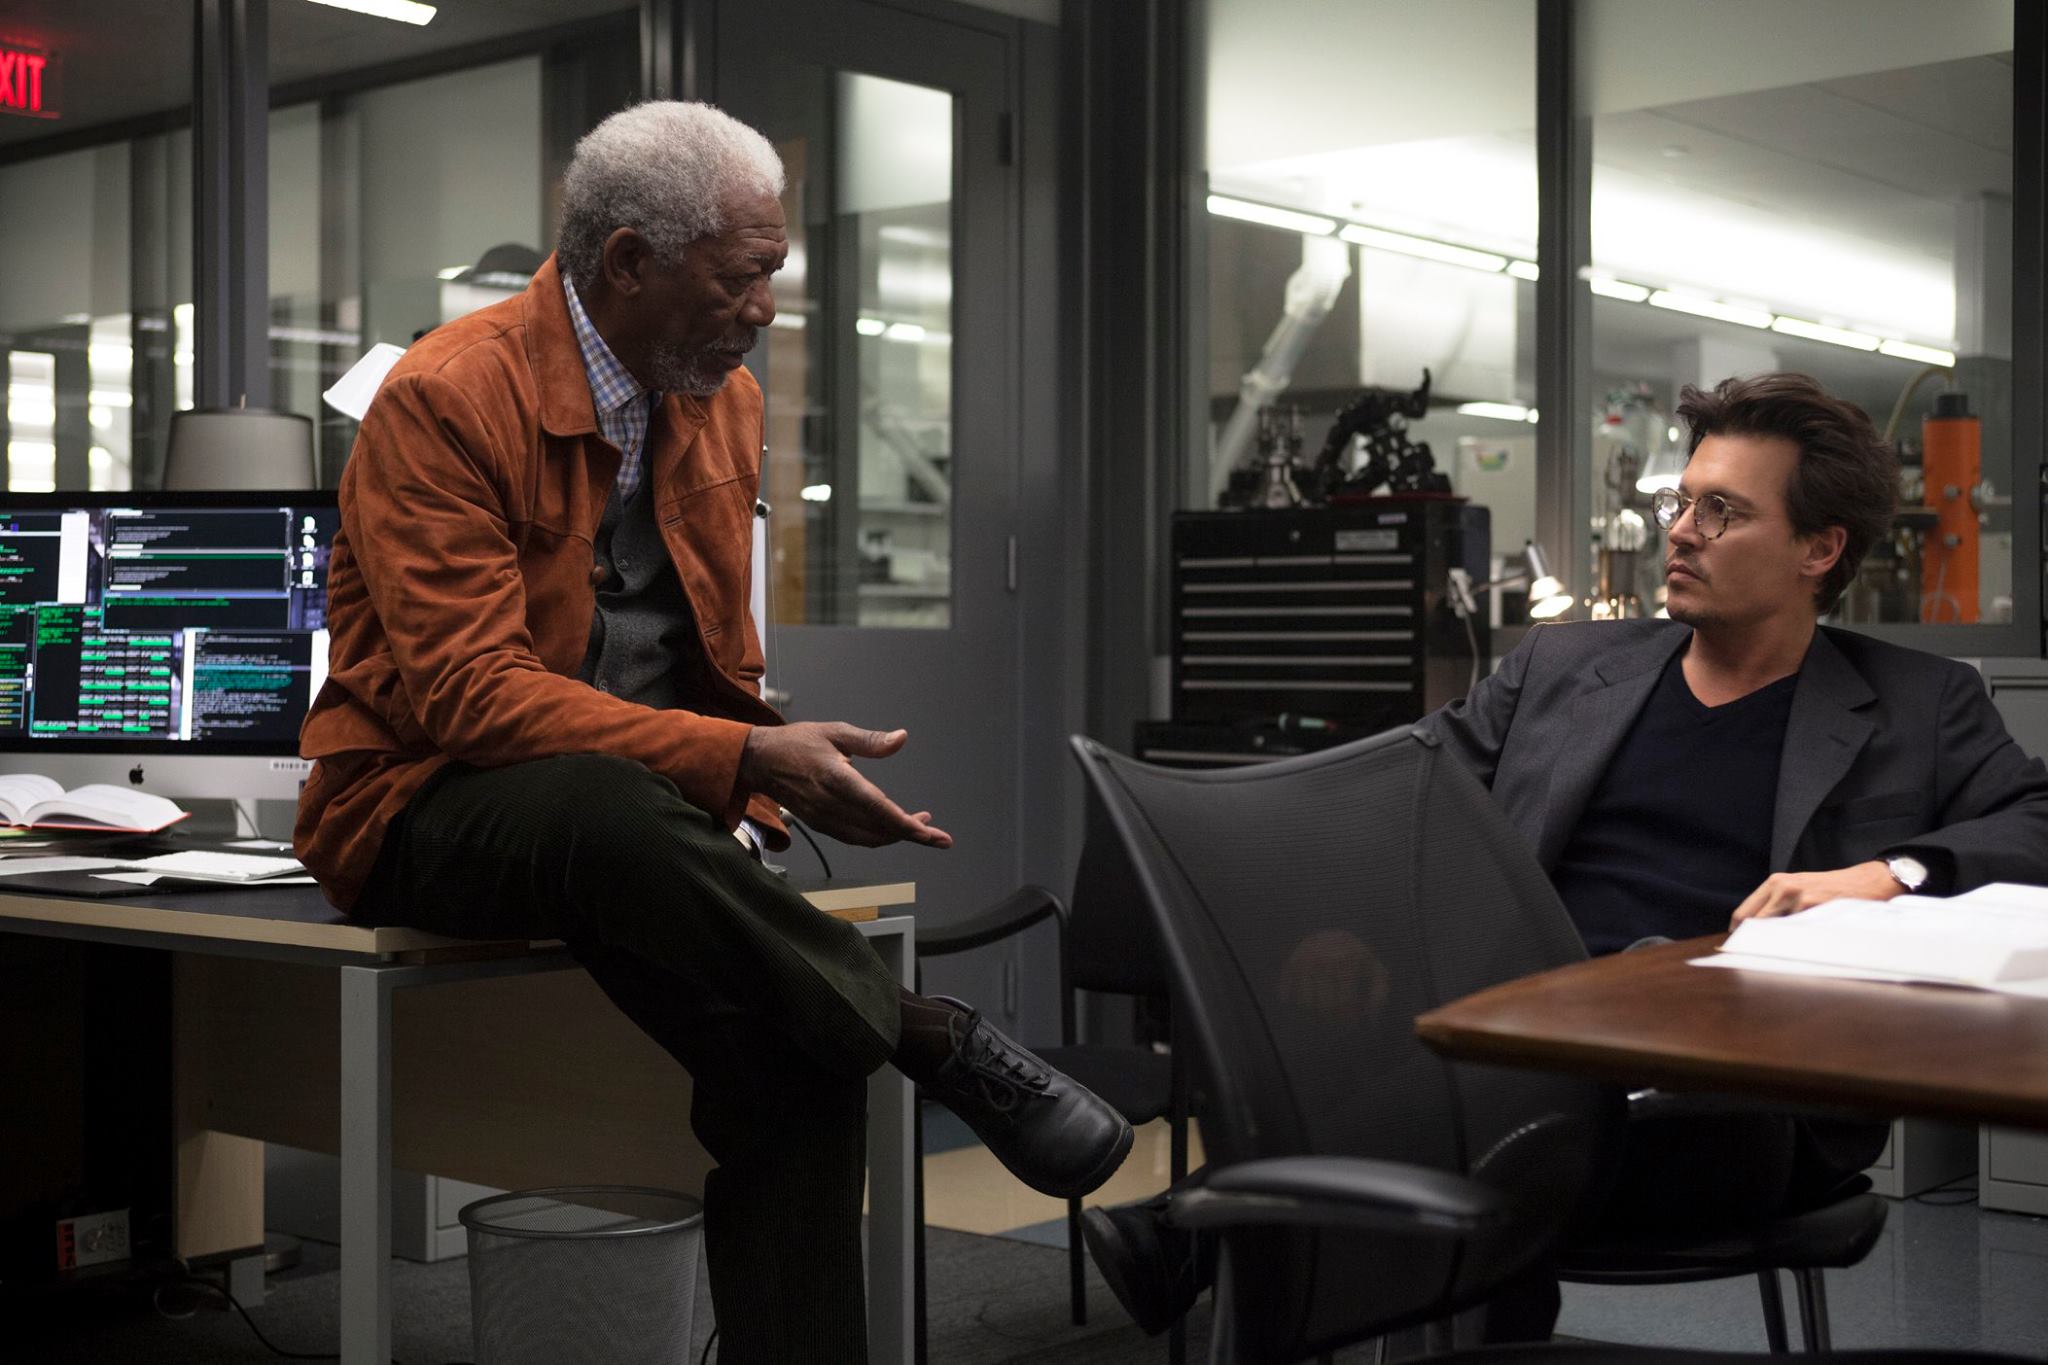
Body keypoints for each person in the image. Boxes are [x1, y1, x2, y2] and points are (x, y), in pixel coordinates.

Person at [294, 101, 1130, 1364]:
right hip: (426, 804)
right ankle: (924, 1031)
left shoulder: (719, 401)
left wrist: (761, 778)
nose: (766, 311)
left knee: (794, 1052)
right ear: (630, 262)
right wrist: (736, 760)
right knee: (600, 801)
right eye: (742, 277)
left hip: (639, 826)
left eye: (772, 274)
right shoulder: (447, 396)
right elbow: (469, 697)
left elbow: (709, 662)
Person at [1080, 371, 2048, 1338]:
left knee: (1452, 1098)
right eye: (1679, 503)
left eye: (1721, 511)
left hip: (1737, 1096)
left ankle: (1194, 1229)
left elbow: (2034, 820)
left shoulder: (1919, 704)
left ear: (1818, 549)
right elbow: (1392, 805)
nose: (1681, 532)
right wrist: (1333, 925)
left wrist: (1887, 876)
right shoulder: (1563, 667)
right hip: (1533, 1045)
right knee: (1427, 1057)